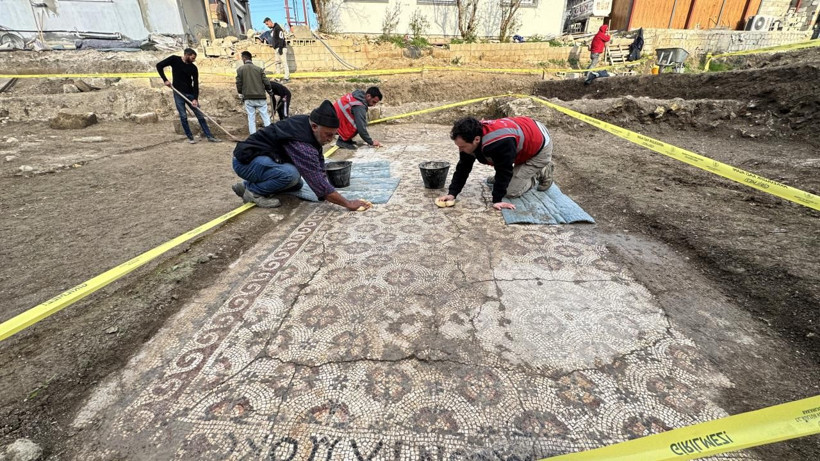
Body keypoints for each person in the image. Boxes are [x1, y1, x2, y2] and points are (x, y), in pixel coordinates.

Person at [231, 100, 371, 212]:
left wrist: (324, 179)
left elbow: (317, 160)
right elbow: (317, 183)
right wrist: (347, 203)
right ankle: (253, 192)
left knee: (296, 184)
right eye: (328, 135)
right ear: (315, 127)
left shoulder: (308, 124)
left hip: (262, 159)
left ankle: (245, 186)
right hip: (245, 162)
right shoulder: (301, 143)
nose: (330, 140)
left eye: (334, 135)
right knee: (290, 175)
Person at [437, 116, 554, 211]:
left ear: (476, 139)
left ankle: (541, 170)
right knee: (500, 174)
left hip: (540, 147)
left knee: (510, 191)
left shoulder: (499, 143)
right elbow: (463, 167)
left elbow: (504, 170)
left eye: (462, 147)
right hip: (527, 133)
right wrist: (452, 193)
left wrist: (497, 200)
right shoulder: (471, 135)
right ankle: (522, 172)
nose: (460, 150)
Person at [156, 48, 221, 144]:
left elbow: (196, 84)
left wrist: (195, 98)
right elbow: (159, 65)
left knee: (200, 115)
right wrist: (165, 80)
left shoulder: (193, 68)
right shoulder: (174, 59)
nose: (193, 60)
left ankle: (209, 136)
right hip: (178, 93)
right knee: (183, 116)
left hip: (190, 94)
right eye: (192, 58)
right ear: (186, 55)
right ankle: (190, 138)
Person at [236, 51, 272, 135]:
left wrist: (240, 93)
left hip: (248, 98)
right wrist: (269, 90)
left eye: (242, 58)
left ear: (244, 58)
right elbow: (266, 82)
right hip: (260, 97)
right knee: (265, 117)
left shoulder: (240, 69)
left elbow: (238, 83)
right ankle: (270, 135)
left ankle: (253, 137)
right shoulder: (259, 69)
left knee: (251, 119)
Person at [263, 17, 290, 82]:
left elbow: (281, 38)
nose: (267, 26)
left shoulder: (278, 28)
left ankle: (286, 77)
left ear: (269, 21)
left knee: (284, 63)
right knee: (277, 63)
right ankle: (278, 78)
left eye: (267, 24)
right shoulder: (273, 29)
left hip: (281, 48)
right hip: (276, 48)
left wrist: (280, 48)